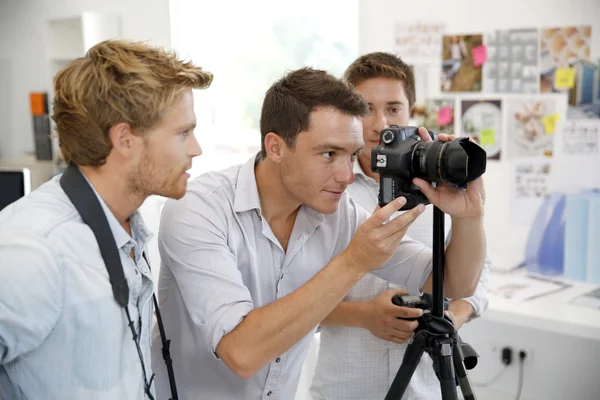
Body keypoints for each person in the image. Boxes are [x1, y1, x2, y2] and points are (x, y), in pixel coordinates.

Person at [152, 67, 487, 400]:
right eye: (329, 154)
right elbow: (242, 353)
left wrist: (469, 218)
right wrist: (354, 261)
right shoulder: (197, 209)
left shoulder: (336, 213)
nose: (346, 175)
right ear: (276, 147)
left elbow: (453, 283)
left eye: (351, 155)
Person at [0, 39, 212, 399]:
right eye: (182, 133)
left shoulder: (124, 226)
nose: (196, 148)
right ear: (125, 139)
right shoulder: (34, 249)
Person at [310, 52, 491, 400]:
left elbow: (480, 273)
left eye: (393, 108)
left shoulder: (441, 181)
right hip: (346, 386)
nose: (380, 123)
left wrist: (452, 313)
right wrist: (362, 315)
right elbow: (290, 293)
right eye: (366, 108)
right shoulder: (327, 189)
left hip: (427, 386)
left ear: (411, 109)